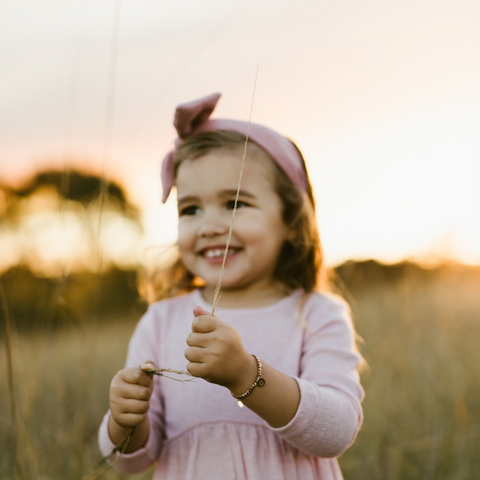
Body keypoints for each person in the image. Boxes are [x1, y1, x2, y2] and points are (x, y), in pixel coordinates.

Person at [98, 92, 364, 479]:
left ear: (290, 221)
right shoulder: (161, 322)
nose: (209, 226)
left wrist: (245, 375)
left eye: (235, 203)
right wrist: (124, 420)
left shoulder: (316, 314)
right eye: (190, 209)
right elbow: (130, 460)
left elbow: (336, 431)